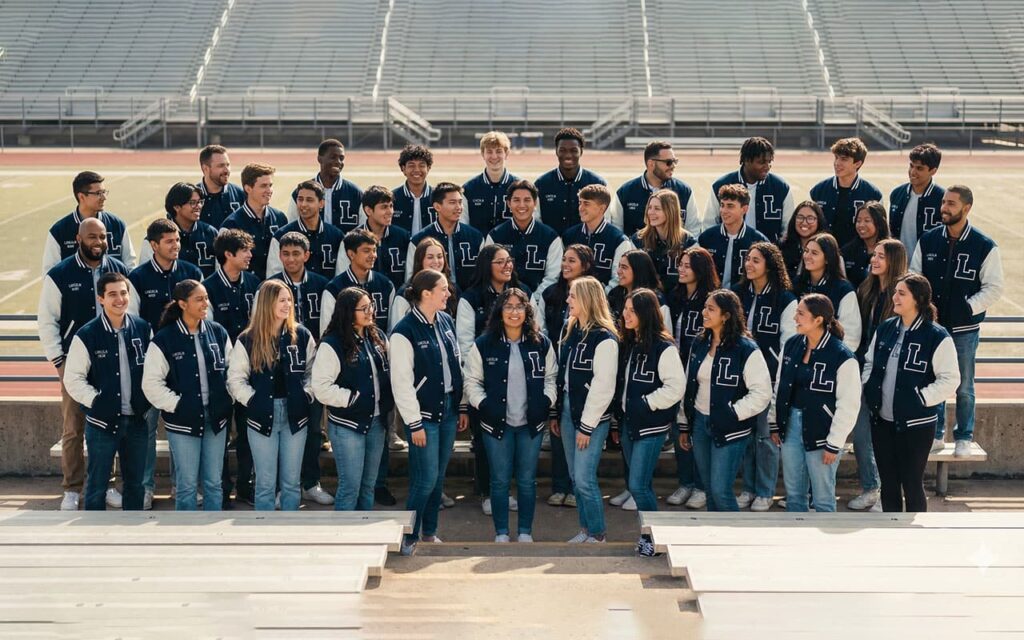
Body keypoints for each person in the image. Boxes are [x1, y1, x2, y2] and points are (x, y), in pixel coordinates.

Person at [38, 217, 132, 511]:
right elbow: (47, 320)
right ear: (78, 239)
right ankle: (72, 488)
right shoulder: (60, 274)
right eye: (92, 237)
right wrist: (59, 361)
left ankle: (107, 484)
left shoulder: (119, 270)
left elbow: (134, 313)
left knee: (112, 423)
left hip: (114, 361)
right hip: (75, 364)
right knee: (74, 428)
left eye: (103, 237)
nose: (99, 242)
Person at [911, 185, 1003, 456]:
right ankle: (937, 433)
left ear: (967, 208)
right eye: (943, 203)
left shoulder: (984, 245)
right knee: (934, 379)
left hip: (964, 329)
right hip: (934, 328)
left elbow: (994, 287)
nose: (945, 208)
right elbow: (915, 274)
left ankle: (964, 435)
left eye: (951, 203)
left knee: (964, 385)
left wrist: (969, 307)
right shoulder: (928, 239)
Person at [464, 288, 557, 542]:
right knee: (499, 481)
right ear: (499, 311)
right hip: (496, 425)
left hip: (531, 425)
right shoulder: (484, 344)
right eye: (508, 306)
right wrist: (485, 406)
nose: (514, 312)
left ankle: (525, 532)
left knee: (527, 481)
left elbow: (551, 378)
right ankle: (502, 532)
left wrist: (546, 402)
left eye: (519, 306)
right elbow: (472, 382)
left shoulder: (541, 343)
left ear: (527, 311)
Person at [863, 274, 960, 512]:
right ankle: (891, 535)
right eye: (895, 291)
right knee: (888, 484)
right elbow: (869, 362)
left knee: (912, 483)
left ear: (918, 299)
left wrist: (920, 398)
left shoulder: (936, 336)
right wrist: (869, 387)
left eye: (901, 293)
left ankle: (917, 541)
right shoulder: (886, 328)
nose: (894, 297)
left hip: (917, 424)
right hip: (882, 422)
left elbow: (951, 379)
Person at [128, 218, 204, 506]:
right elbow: (133, 321)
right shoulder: (138, 278)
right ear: (153, 245)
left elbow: (201, 314)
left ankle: (181, 484)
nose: (176, 246)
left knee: (181, 427)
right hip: (152, 363)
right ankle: (146, 487)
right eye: (169, 241)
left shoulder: (191, 272)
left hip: (185, 365)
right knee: (147, 429)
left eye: (177, 240)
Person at [390, 269, 466, 556]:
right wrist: (414, 423)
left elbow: (455, 363)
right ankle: (409, 535)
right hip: (422, 417)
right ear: (426, 294)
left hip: (447, 409)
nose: (448, 293)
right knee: (425, 480)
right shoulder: (404, 331)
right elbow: (402, 383)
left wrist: (460, 404)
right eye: (443, 289)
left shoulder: (446, 320)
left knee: (438, 479)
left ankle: (430, 532)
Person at [142, 280, 233, 511]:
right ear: (183, 304)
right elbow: (151, 384)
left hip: (216, 419)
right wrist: (178, 404)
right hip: (182, 422)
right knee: (187, 485)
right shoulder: (164, 339)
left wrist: (225, 399)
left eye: (206, 298)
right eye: (199, 299)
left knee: (214, 483)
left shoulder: (218, 332)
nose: (206, 303)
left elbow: (233, 371)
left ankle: (213, 535)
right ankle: (186, 538)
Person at [63, 272, 150, 511]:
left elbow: (153, 373)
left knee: (135, 484)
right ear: (101, 299)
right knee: (98, 486)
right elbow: (73, 379)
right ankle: (94, 541)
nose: (119, 299)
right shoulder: (87, 334)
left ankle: (131, 539)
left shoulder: (143, 329)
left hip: (136, 422)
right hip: (102, 424)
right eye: (112, 294)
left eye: (123, 293)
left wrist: (146, 401)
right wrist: (98, 402)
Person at [227, 279, 316, 512]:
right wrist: (253, 400)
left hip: (295, 415)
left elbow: (313, 373)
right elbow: (236, 379)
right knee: (265, 483)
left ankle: (289, 533)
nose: (287, 304)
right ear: (268, 303)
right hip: (261, 415)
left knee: (291, 482)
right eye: (281, 300)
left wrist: (305, 395)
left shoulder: (302, 335)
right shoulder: (248, 339)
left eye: (289, 300)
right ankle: (261, 536)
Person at [679, 289, 771, 512]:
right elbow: (689, 384)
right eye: (704, 307)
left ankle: (735, 541)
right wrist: (684, 423)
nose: (704, 312)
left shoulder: (746, 349)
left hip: (731, 428)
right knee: (710, 489)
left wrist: (733, 413)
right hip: (700, 423)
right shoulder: (699, 343)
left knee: (721, 490)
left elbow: (762, 392)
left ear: (726, 315)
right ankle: (714, 540)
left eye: (711, 309)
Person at [457, 244, 531, 515]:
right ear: (486, 265)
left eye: (509, 260)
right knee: (485, 441)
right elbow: (464, 343)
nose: (507, 266)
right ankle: (488, 492)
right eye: (500, 261)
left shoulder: (523, 294)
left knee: (515, 440)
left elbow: (534, 331)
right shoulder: (471, 297)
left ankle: (507, 490)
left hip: (519, 379)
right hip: (484, 380)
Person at [771, 294, 860, 513]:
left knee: (822, 499)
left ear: (818, 320)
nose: (795, 318)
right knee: (794, 496)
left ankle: (824, 547)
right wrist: (775, 422)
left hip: (822, 431)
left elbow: (848, 404)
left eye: (801, 313)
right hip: (791, 424)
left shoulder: (842, 355)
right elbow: (780, 386)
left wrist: (834, 442)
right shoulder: (792, 344)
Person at [615, 289, 684, 556]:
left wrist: (645, 403)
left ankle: (654, 539)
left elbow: (675, 387)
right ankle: (652, 537)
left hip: (651, 427)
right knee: (641, 484)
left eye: (632, 310)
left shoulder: (664, 347)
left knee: (638, 485)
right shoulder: (629, 343)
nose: (625, 315)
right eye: (625, 310)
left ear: (646, 313)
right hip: (630, 425)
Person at [265, 232, 332, 506]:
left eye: (296, 253)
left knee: (313, 430)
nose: (291, 259)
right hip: (278, 368)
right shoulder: (270, 287)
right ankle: (283, 487)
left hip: (311, 365)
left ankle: (310, 482)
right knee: (280, 432)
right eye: (286, 254)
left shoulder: (321, 284)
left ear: (307, 255)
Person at [312, 288, 393, 510]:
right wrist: (352, 398)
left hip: (377, 422)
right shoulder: (332, 343)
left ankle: (363, 539)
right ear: (348, 312)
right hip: (348, 425)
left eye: (371, 306)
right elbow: (320, 387)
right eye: (364, 308)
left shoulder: (376, 336)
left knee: (368, 486)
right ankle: (341, 540)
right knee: (350, 487)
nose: (370, 311)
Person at [554, 277, 618, 543]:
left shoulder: (605, 338)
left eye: (572, 296)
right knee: (574, 475)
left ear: (587, 300)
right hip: (569, 408)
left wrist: (587, 426)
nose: (568, 300)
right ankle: (585, 529)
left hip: (590, 416)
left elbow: (603, 387)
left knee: (584, 478)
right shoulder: (571, 329)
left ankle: (598, 533)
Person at [734, 242, 797, 512]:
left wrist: (780, 379)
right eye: (748, 259)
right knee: (746, 438)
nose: (749, 264)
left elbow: (789, 343)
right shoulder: (737, 294)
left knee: (766, 438)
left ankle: (765, 491)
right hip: (738, 378)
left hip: (769, 379)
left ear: (769, 265)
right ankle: (748, 488)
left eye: (756, 260)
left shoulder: (785, 299)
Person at [847, 238, 907, 511]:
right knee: (861, 434)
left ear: (893, 260)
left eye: (880, 256)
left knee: (887, 438)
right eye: (874, 255)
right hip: (864, 370)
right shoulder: (866, 289)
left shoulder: (901, 295)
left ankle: (890, 493)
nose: (874, 259)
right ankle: (872, 488)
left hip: (890, 374)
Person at [202, 229, 261, 506]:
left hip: (250, 371)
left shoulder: (254, 283)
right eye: (245, 250)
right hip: (222, 374)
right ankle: (221, 490)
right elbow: (209, 330)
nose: (250, 255)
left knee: (249, 433)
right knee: (222, 435)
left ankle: (246, 487)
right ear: (228, 254)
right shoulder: (209, 288)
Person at [534, 244, 595, 508]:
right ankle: (560, 485)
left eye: (572, 260)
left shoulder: (594, 293)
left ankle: (575, 487)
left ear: (585, 265)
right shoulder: (551, 293)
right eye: (565, 260)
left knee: (579, 432)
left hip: (583, 373)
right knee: (559, 427)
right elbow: (541, 329)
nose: (566, 265)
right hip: (557, 366)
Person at [665, 246, 719, 510]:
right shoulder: (675, 297)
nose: (681, 269)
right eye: (680, 264)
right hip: (676, 372)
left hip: (700, 372)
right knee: (680, 430)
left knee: (698, 433)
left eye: (687, 265)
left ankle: (701, 486)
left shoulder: (710, 300)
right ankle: (685, 482)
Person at [706, 136, 795, 244]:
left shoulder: (781, 187)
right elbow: (709, 223)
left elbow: (788, 228)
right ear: (746, 160)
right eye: (761, 162)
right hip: (730, 250)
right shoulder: (721, 185)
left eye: (769, 162)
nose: (767, 167)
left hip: (768, 255)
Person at [43, 171, 135, 272]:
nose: (104, 198)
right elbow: (50, 272)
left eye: (104, 192)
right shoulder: (59, 230)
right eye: (98, 193)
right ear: (81, 197)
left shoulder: (117, 224)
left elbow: (130, 265)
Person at [485, 179, 563, 294]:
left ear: (535, 203)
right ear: (508, 203)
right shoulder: (495, 235)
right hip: (503, 301)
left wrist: (533, 299)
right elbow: (489, 272)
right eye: (516, 200)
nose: (522, 205)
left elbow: (552, 277)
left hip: (539, 302)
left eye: (527, 200)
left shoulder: (550, 237)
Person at [609, 140, 701, 237]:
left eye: (675, 161)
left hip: (675, 251)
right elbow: (616, 230)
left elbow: (694, 229)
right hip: (635, 250)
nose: (673, 166)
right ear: (651, 164)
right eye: (668, 162)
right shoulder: (625, 192)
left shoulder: (684, 191)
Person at [407, 182, 484, 291]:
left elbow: (483, 276)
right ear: (437, 206)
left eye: (460, 202)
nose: (458, 207)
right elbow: (410, 277)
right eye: (452, 202)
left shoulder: (476, 237)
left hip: (468, 300)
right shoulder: (419, 240)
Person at [809, 137, 884, 247]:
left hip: (858, 256)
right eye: (836, 158)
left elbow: (880, 233)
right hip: (824, 255)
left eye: (843, 159)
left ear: (857, 164)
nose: (837, 163)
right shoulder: (818, 191)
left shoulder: (873, 194)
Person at [794, 233, 862, 353]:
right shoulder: (796, 284)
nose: (807, 256)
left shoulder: (843, 289)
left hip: (830, 356)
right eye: (806, 251)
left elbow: (851, 335)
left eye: (814, 253)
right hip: (799, 352)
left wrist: (833, 357)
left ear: (827, 258)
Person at [220, 163, 288, 280]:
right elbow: (224, 267)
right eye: (263, 186)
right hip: (247, 289)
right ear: (248, 188)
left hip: (276, 288)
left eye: (270, 185)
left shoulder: (280, 218)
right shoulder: (231, 225)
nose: (269, 190)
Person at [535, 128, 607, 236]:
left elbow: (605, 221)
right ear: (556, 151)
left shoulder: (597, 183)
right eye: (563, 150)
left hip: (586, 248)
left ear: (581, 151)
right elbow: (536, 220)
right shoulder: (541, 184)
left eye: (574, 150)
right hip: (552, 247)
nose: (568, 155)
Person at [268, 180, 344, 280]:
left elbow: (341, 273)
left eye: (309, 200)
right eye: (300, 199)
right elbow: (274, 275)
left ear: (321, 203)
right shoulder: (281, 235)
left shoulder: (336, 236)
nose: (303, 204)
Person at [697, 184, 769, 290]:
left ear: (744, 209)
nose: (724, 210)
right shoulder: (706, 238)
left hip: (743, 300)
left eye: (730, 206)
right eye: (722, 205)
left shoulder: (759, 241)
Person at [324, 229, 396, 335]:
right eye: (366, 251)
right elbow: (327, 331)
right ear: (351, 254)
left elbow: (392, 328)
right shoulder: (334, 288)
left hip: (378, 349)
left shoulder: (386, 285)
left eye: (374, 250)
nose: (373, 255)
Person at [561, 184, 633, 289]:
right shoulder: (569, 235)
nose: (581, 208)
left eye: (586, 204)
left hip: (604, 300)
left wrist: (599, 297)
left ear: (601, 208)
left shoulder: (619, 240)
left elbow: (618, 278)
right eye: (580, 203)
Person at [139, 182, 219, 277]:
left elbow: (221, 269)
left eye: (200, 202)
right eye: (192, 203)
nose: (199, 206)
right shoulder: (154, 238)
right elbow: (145, 274)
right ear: (176, 207)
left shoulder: (211, 233)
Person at [340, 185, 412, 290]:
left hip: (396, 298)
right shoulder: (351, 239)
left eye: (391, 206)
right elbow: (342, 275)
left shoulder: (403, 236)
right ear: (368, 210)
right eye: (384, 207)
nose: (390, 212)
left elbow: (409, 274)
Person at [629, 189, 697, 296]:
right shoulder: (638, 240)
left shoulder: (688, 242)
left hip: (678, 299)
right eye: (650, 208)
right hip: (646, 300)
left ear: (670, 211)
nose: (651, 212)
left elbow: (696, 278)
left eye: (657, 208)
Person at [287, 138, 363, 232]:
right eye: (333, 157)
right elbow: (291, 226)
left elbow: (365, 229)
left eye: (341, 158)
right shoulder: (300, 192)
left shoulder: (356, 193)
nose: (338, 161)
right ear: (319, 159)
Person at [889, 143, 944, 257]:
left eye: (919, 168)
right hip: (898, 264)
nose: (913, 172)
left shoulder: (943, 198)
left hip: (926, 266)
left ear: (933, 171)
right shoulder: (897, 194)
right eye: (911, 166)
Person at [462, 131, 521, 234]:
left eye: (498, 151)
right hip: (480, 246)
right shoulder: (468, 189)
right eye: (489, 152)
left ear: (506, 154)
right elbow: (463, 225)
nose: (494, 156)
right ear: (482, 154)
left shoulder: (520, 187)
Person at [608, 250, 671, 332]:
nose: (618, 271)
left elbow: (665, 336)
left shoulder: (657, 301)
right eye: (619, 266)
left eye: (624, 267)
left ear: (638, 270)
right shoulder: (615, 294)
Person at [841, 201, 890, 288]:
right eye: (858, 221)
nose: (861, 225)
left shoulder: (891, 249)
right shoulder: (847, 251)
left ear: (879, 223)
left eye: (867, 221)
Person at [196, 145, 245, 228]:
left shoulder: (240, 194)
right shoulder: (192, 196)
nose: (227, 170)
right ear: (205, 169)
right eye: (221, 166)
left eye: (228, 165)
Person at [780, 201, 829, 282]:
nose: (804, 222)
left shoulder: (828, 248)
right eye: (800, 217)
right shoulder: (781, 248)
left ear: (819, 220)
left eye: (810, 218)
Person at [391, 144, 435, 235]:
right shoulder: (391, 198)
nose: (416, 170)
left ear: (428, 168)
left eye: (421, 165)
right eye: (411, 165)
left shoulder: (439, 196)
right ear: (403, 169)